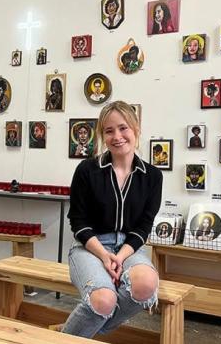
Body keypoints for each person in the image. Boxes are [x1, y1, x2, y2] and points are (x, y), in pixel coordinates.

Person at [62, 100, 163, 338]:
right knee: (103, 299)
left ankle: (80, 330)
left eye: (123, 128)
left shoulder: (153, 177)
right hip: (89, 247)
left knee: (146, 286)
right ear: (102, 136)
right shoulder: (87, 170)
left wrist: (119, 256)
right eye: (109, 131)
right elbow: (78, 222)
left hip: (129, 248)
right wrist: (104, 255)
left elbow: (143, 226)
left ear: (136, 129)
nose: (117, 136)